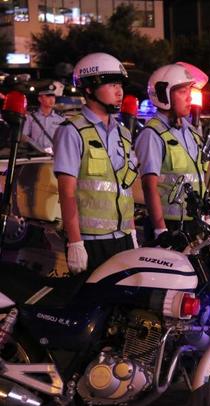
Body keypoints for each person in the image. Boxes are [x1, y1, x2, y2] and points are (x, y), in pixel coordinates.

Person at [53, 53, 138, 274]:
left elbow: (125, 189)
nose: (120, 92)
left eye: (120, 84)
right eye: (111, 85)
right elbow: (66, 191)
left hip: (124, 239)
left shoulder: (124, 133)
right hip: (91, 242)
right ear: (89, 88)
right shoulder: (72, 131)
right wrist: (75, 243)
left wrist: (133, 233)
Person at [135, 62, 209, 241]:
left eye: (189, 91)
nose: (189, 98)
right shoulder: (152, 133)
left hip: (194, 221)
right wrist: (161, 230)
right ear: (163, 95)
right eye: (183, 92)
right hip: (169, 225)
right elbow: (149, 185)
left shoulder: (191, 131)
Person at [22, 81, 65, 154]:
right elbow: (24, 137)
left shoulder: (60, 119)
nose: (52, 100)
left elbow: (64, 139)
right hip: (36, 155)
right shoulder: (31, 118)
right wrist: (35, 146)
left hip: (54, 156)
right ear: (40, 99)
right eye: (48, 96)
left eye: (53, 97)